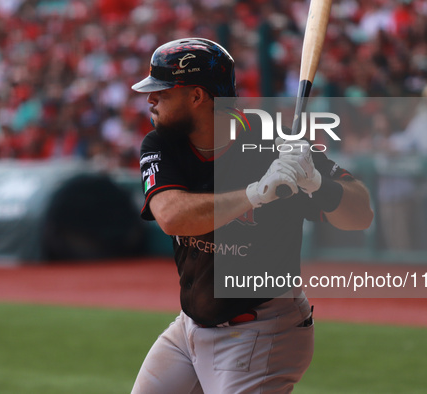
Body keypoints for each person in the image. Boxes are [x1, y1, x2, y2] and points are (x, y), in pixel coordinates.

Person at [131, 37, 373, 394]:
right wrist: (256, 193)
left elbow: (361, 214)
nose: (150, 99)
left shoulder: (272, 145)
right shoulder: (163, 144)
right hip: (189, 329)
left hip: (262, 330)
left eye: (162, 91)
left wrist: (318, 183)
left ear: (197, 97)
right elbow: (171, 215)